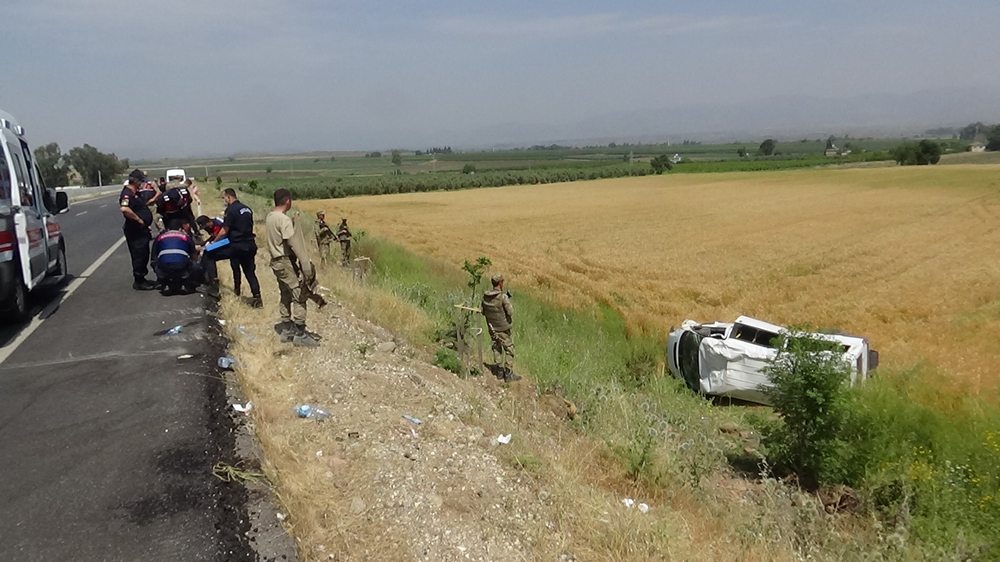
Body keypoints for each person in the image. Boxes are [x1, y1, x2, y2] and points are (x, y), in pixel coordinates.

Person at [265, 188, 320, 347]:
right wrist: (305, 265)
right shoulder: (284, 220)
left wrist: (293, 222)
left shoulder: (270, 216)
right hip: (285, 261)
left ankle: (286, 329)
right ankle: (300, 334)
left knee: (285, 293)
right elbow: (293, 242)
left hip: (276, 262)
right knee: (299, 295)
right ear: (288, 201)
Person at [204, 188, 262, 306]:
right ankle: (257, 297)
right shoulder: (247, 209)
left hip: (236, 245)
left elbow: (224, 230)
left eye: (224, 198)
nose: (224, 200)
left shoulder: (230, 210)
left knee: (209, 255)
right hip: (250, 244)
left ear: (229, 197)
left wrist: (213, 242)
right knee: (249, 272)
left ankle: (214, 287)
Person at [119, 170, 157, 290]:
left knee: (144, 254)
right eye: (141, 181)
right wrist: (139, 220)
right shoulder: (127, 194)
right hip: (135, 231)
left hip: (142, 230)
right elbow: (124, 209)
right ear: (135, 181)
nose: (142, 184)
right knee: (139, 255)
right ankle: (139, 281)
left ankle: (142, 278)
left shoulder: (135, 193)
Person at [481, 274, 520, 381]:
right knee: (509, 349)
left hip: (492, 328)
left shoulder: (485, 297)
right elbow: (510, 312)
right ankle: (508, 373)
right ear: (500, 283)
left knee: (496, 347)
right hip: (503, 329)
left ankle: (499, 371)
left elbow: (483, 312)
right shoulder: (503, 297)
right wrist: (507, 300)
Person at [152, 217, 202, 294]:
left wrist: (156, 266)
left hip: (164, 266)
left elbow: (154, 255)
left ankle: (163, 281)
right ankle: (189, 283)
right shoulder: (185, 236)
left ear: (167, 228)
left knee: (156, 262)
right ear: (180, 228)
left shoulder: (160, 237)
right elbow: (193, 254)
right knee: (196, 265)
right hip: (181, 265)